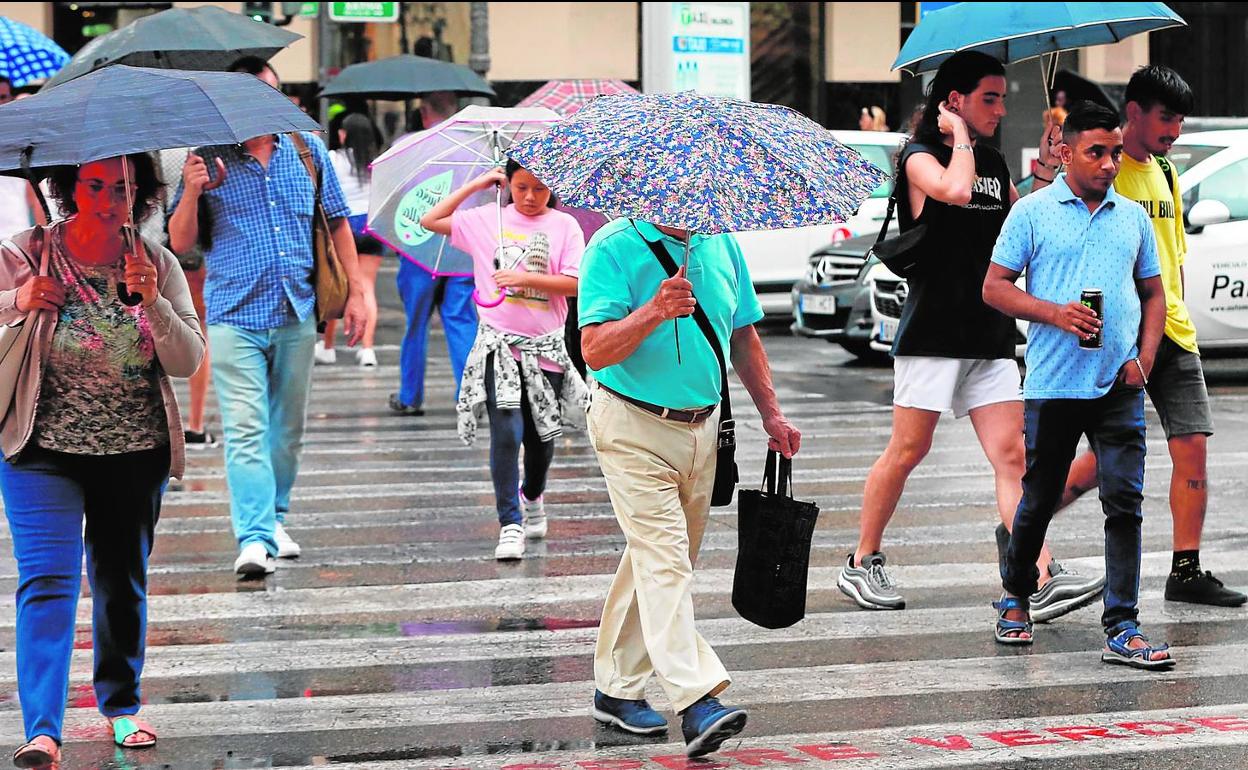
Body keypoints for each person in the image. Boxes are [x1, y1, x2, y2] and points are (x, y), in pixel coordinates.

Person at [836, 51, 1104, 618]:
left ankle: (1039, 571)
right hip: (934, 329)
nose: (1002, 108)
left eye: (1004, 97)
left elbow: (1023, 219)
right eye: (990, 97)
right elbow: (955, 192)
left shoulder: (992, 159)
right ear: (953, 100)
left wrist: (1047, 172)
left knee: (1013, 456)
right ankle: (862, 562)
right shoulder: (918, 157)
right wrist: (956, 134)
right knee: (909, 449)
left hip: (988, 329)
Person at [0, 154, 205, 768]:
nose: (111, 200)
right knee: (47, 581)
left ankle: (120, 705)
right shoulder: (23, 251)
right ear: (68, 188)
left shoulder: (157, 261)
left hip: (133, 449)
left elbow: (188, 359)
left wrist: (154, 304)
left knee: (120, 582)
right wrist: (18, 298)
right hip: (39, 448)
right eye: (96, 187)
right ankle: (42, 728)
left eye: (123, 188)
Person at [578, 218, 801, 756]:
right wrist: (655, 310)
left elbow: (744, 335)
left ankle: (615, 688)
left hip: (703, 426)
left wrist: (771, 413)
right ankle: (698, 697)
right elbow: (594, 349)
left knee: (657, 562)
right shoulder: (610, 248)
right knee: (665, 560)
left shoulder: (722, 243)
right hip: (631, 424)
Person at [1030, 67, 1246, 607]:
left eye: (1179, 119)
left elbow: (1168, 258)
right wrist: (1050, 160)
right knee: (1103, 462)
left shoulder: (1168, 172)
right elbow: (1051, 214)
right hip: (1115, 334)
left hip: (1172, 329)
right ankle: (1025, 527)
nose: (1174, 130)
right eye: (1165, 118)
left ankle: (1186, 569)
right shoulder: (1105, 165)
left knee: (1192, 443)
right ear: (1134, 114)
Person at [168, 57, 370, 577]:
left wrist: (358, 292)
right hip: (234, 313)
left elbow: (339, 224)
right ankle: (254, 537)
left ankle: (275, 517)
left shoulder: (307, 152)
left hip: (297, 310)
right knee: (246, 429)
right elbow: (181, 241)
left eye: (271, 93)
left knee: (287, 431)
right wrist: (190, 191)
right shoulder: (206, 161)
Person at [985, 100, 1170, 666]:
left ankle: (1123, 625)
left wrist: (1144, 360)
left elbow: (1153, 293)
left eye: (1116, 151)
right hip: (1055, 382)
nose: (1111, 163)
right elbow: (994, 288)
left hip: (1118, 383)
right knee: (1038, 497)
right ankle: (1016, 596)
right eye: (1097, 152)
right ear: (1064, 151)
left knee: (1125, 501)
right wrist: (1053, 313)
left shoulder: (1132, 217)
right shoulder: (1033, 214)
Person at [421, 161, 586, 559]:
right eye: (521, 187)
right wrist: (476, 184)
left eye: (540, 189)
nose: (529, 197)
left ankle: (532, 495)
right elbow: (430, 220)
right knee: (507, 431)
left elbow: (577, 283)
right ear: (508, 184)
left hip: (545, 349)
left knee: (541, 438)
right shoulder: (487, 219)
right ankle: (509, 523)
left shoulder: (565, 226)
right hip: (499, 347)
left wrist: (525, 280)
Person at [391, 90, 479, 416]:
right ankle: (469, 395)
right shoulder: (473, 150)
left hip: (418, 245)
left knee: (416, 323)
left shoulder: (406, 147)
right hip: (462, 242)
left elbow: (392, 198)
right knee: (460, 319)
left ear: (425, 112)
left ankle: (410, 396)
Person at [318, 112, 384, 368]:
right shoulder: (375, 161)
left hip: (343, 226)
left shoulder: (334, 158)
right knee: (367, 287)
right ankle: (367, 350)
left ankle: (327, 346)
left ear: (344, 134)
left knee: (336, 284)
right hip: (370, 226)